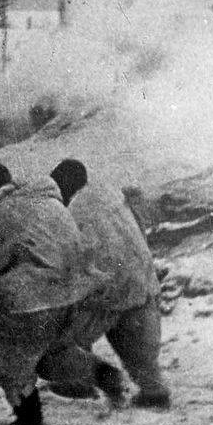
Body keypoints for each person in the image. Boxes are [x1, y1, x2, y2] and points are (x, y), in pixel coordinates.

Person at [0, 162, 124, 425]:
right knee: (52, 354)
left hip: (30, 298)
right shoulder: (49, 202)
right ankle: (104, 375)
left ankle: (28, 421)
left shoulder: (3, 210)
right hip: (69, 296)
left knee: (6, 357)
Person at [49, 159, 170, 409]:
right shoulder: (113, 198)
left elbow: (65, 259)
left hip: (104, 295)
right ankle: (154, 391)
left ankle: (84, 382)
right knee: (140, 356)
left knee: (61, 342)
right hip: (141, 285)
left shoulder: (74, 211)